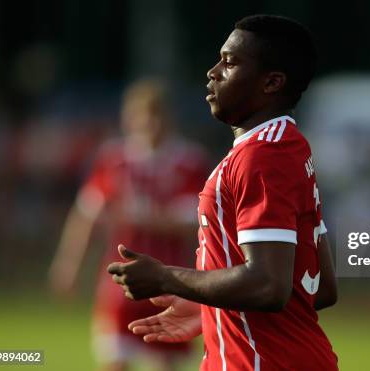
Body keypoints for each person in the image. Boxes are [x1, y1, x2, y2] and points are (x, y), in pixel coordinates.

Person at [107, 15, 338, 370]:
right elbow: (319, 286)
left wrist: (166, 277)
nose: (213, 72)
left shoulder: (264, 156)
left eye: (230, 62)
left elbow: (268, 285)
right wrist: (209, 309)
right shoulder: (287, 146)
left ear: (272, 83)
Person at [49, 79, 209, 371]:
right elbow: (87, 215)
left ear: (168, 117)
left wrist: (143, 217)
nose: (148, 123)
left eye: (155, 114)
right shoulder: (114, 159)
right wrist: (69, 264)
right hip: (119, 280)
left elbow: (194, 222)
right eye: (140, 115)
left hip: (168, 279)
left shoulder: (189, 162)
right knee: (115, 361)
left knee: (164, 361)